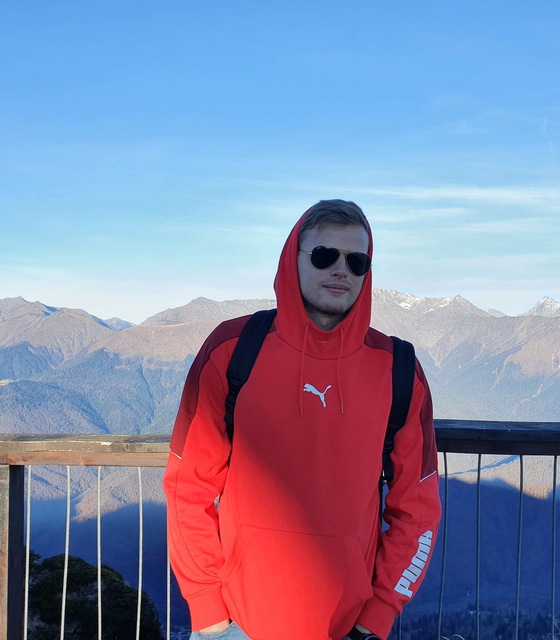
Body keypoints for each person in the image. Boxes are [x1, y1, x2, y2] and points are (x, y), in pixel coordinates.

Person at [163, 200, 441, 640]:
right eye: (324, 255)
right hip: (236, 625)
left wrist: (377, 616)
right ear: (292, 257)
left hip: (348, 628)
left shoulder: (399, 370)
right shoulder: (232, 349)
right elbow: (187, 486)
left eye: (357, 261)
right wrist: (209, 612)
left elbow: (418, 509)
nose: (341, 270)